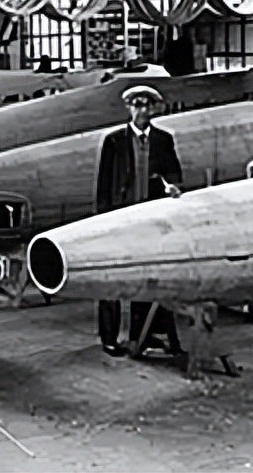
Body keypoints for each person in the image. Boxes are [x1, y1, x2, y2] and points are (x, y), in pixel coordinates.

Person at [95, 84, 185, 358]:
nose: (142, 110)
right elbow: (104, 183)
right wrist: (102, 220)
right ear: (129, 108)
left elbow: (174, 173)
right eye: (137, 105)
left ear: (154, 109)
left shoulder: (163, 140)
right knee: (110, 277)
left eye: (147, 105)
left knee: (146, 276)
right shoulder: (114, 141)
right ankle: (109, 338)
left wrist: (173, 186)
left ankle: (141, 335)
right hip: (120, 218)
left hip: (149, 220)